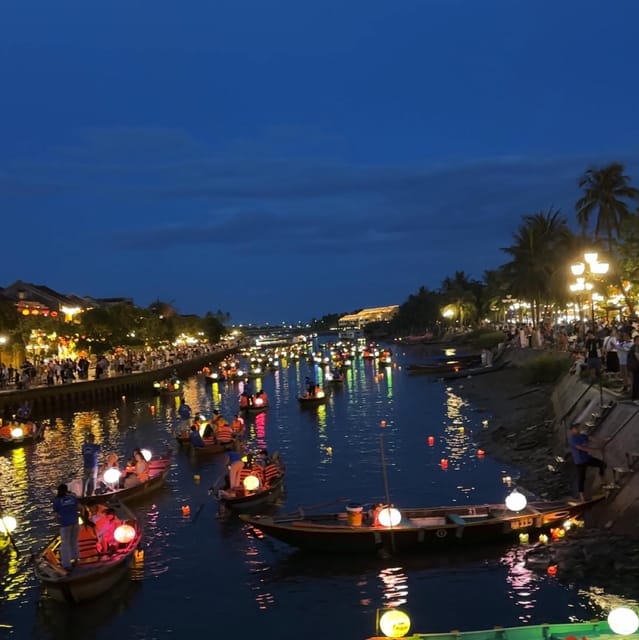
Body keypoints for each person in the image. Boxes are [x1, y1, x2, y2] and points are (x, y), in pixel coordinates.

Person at [568, 423, 607, 501]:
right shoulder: (572, 439)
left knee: (602, 464)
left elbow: (589, 438)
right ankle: (581, 496)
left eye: (578, 428)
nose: (578, 429)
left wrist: (601, 441)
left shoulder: (581, 436)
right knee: (581, 478)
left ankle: (603, 481)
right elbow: (581, 448)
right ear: (572, 430)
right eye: (576, 428)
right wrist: (596, 450)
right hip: (580, 462)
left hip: (587, 459)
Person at [53, 483, 79, 572]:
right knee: (74, 541)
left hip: (65, 524)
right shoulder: (73, 497)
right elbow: (79, 507)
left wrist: (58, 522)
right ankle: (76, 559)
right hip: (75, 522)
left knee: (65, 544)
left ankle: (66, 564)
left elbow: (56, 515)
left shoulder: (57, 500)